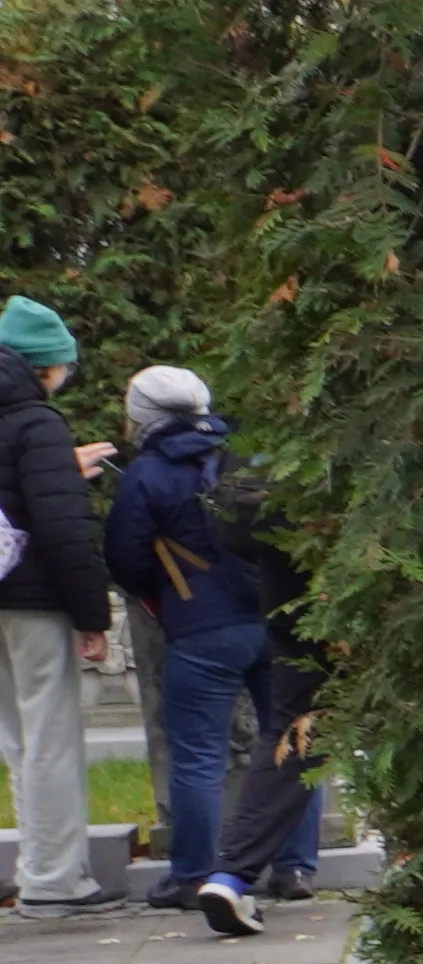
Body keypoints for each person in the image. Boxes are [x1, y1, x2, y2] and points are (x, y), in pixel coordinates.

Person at [100, 367, 308, 935]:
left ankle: (193, 874)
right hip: (276, 615)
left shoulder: (145, 473)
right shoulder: (247, 454)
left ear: (142, 417)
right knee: (293, 738)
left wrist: (165, 596)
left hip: (202, 624)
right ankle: (294, 867)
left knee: (197, 754)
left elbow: (125, 556)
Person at [0, 302, 117, 921]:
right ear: (44, 366)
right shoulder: (34, 422)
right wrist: (92, 615)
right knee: (50, 736)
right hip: (32, 600)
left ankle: (32, 869)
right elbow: (63, 529)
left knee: (16, 742)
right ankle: (53, 881)